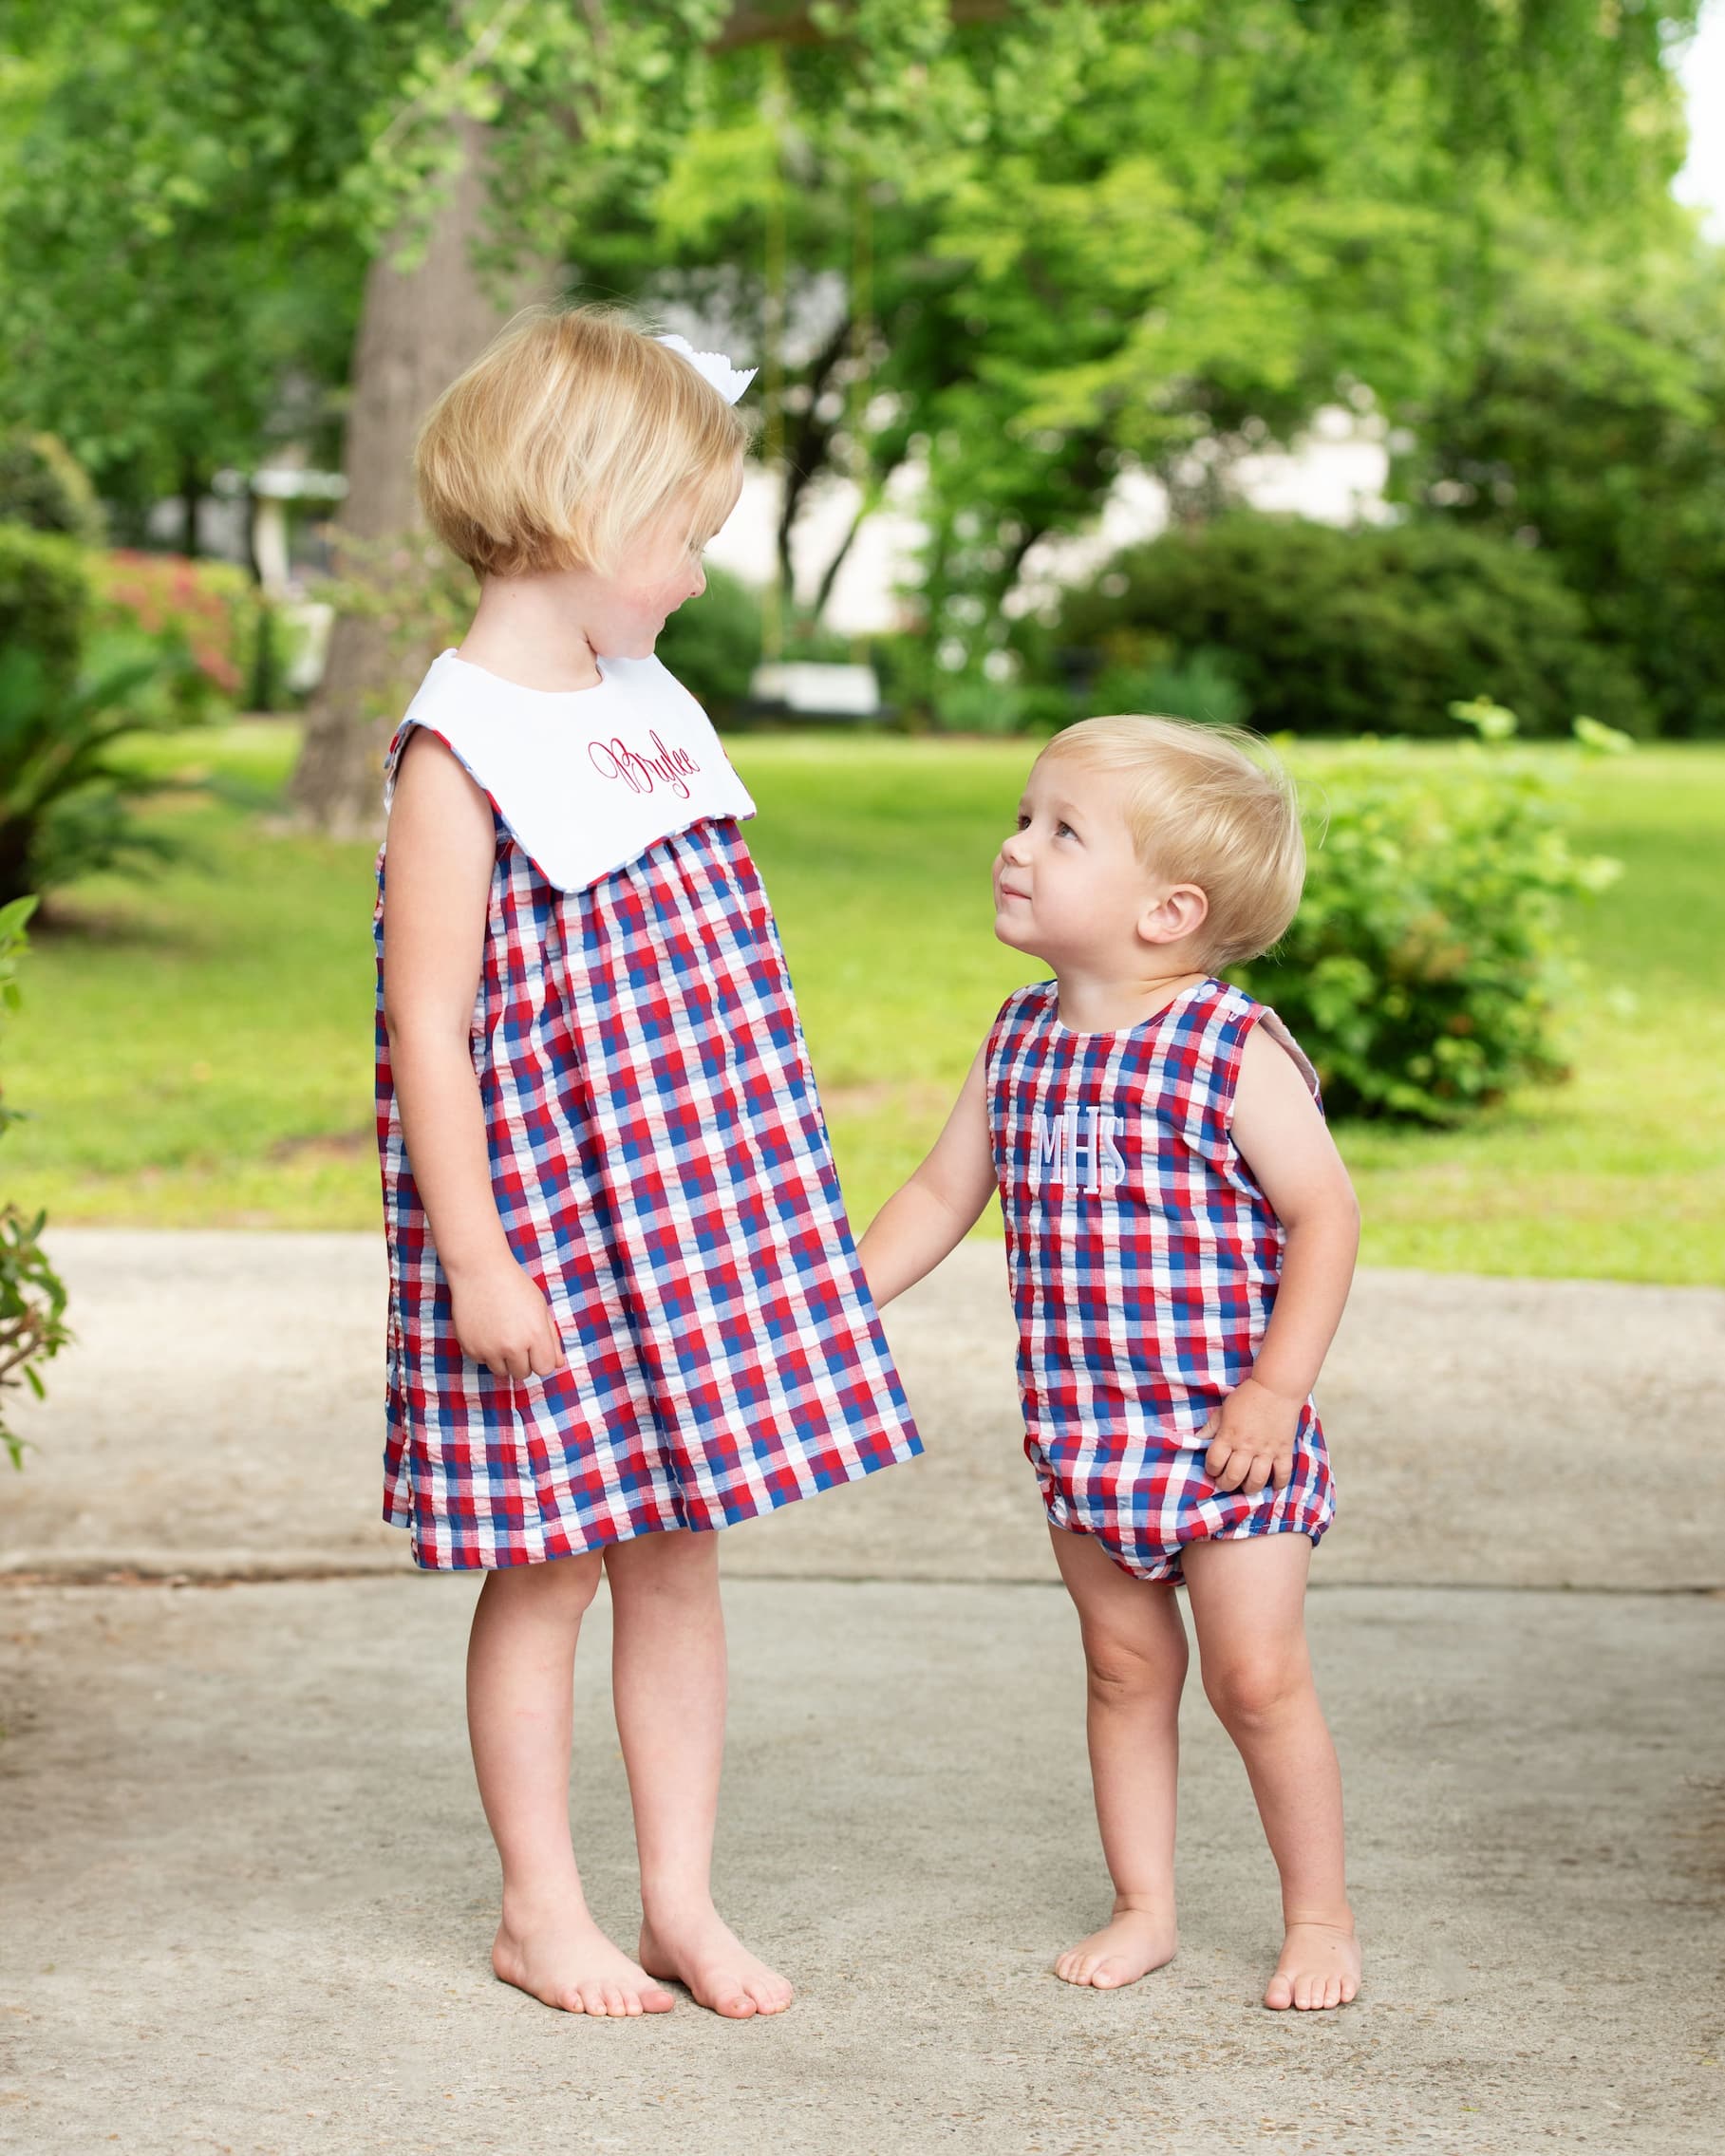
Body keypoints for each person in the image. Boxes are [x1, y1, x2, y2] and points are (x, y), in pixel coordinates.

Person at [374, 305, 921, 2021]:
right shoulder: (459, 750)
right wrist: (475, 1259)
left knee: (680, 1555)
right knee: (545, 1559)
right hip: (547, 1224)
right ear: (579, 511)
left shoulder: (642, 701)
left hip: (684, 1213)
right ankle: (543, 1905)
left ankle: (678, 1894)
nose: (692, 576)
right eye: (681, 537)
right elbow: (432, 1026)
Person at [858, 715, 1362, 2013]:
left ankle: (1319, 1916)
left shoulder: (1225, 1049)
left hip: (1227, 1431)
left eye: (1060, 831)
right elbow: (935, 1193)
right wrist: (834, 1303)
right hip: (1086, 1434)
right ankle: (1145, 1904)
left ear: (1165, 910)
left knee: (1257, 1678)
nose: (1014, 847)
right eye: (1025, 816)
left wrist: (1274, 1388)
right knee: (1124, 1669)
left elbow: (1325, 1215)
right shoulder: (1018, 1038)